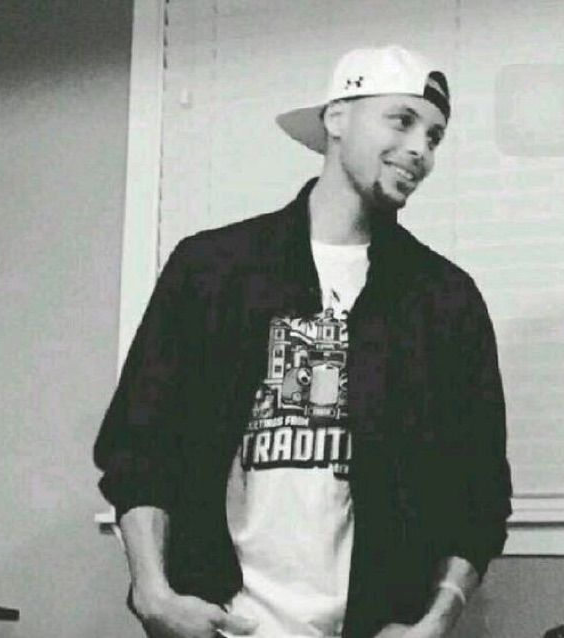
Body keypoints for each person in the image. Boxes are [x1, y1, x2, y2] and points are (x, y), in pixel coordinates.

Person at [93, 45, 512, 638]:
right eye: (402, 120)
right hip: (223, 622)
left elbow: (478, 493)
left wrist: (435, 622)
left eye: (435, 136)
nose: (421, 148)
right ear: (336, 118)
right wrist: (153, 593)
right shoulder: (212, 269)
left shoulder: (445, 299)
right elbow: (140, 446)